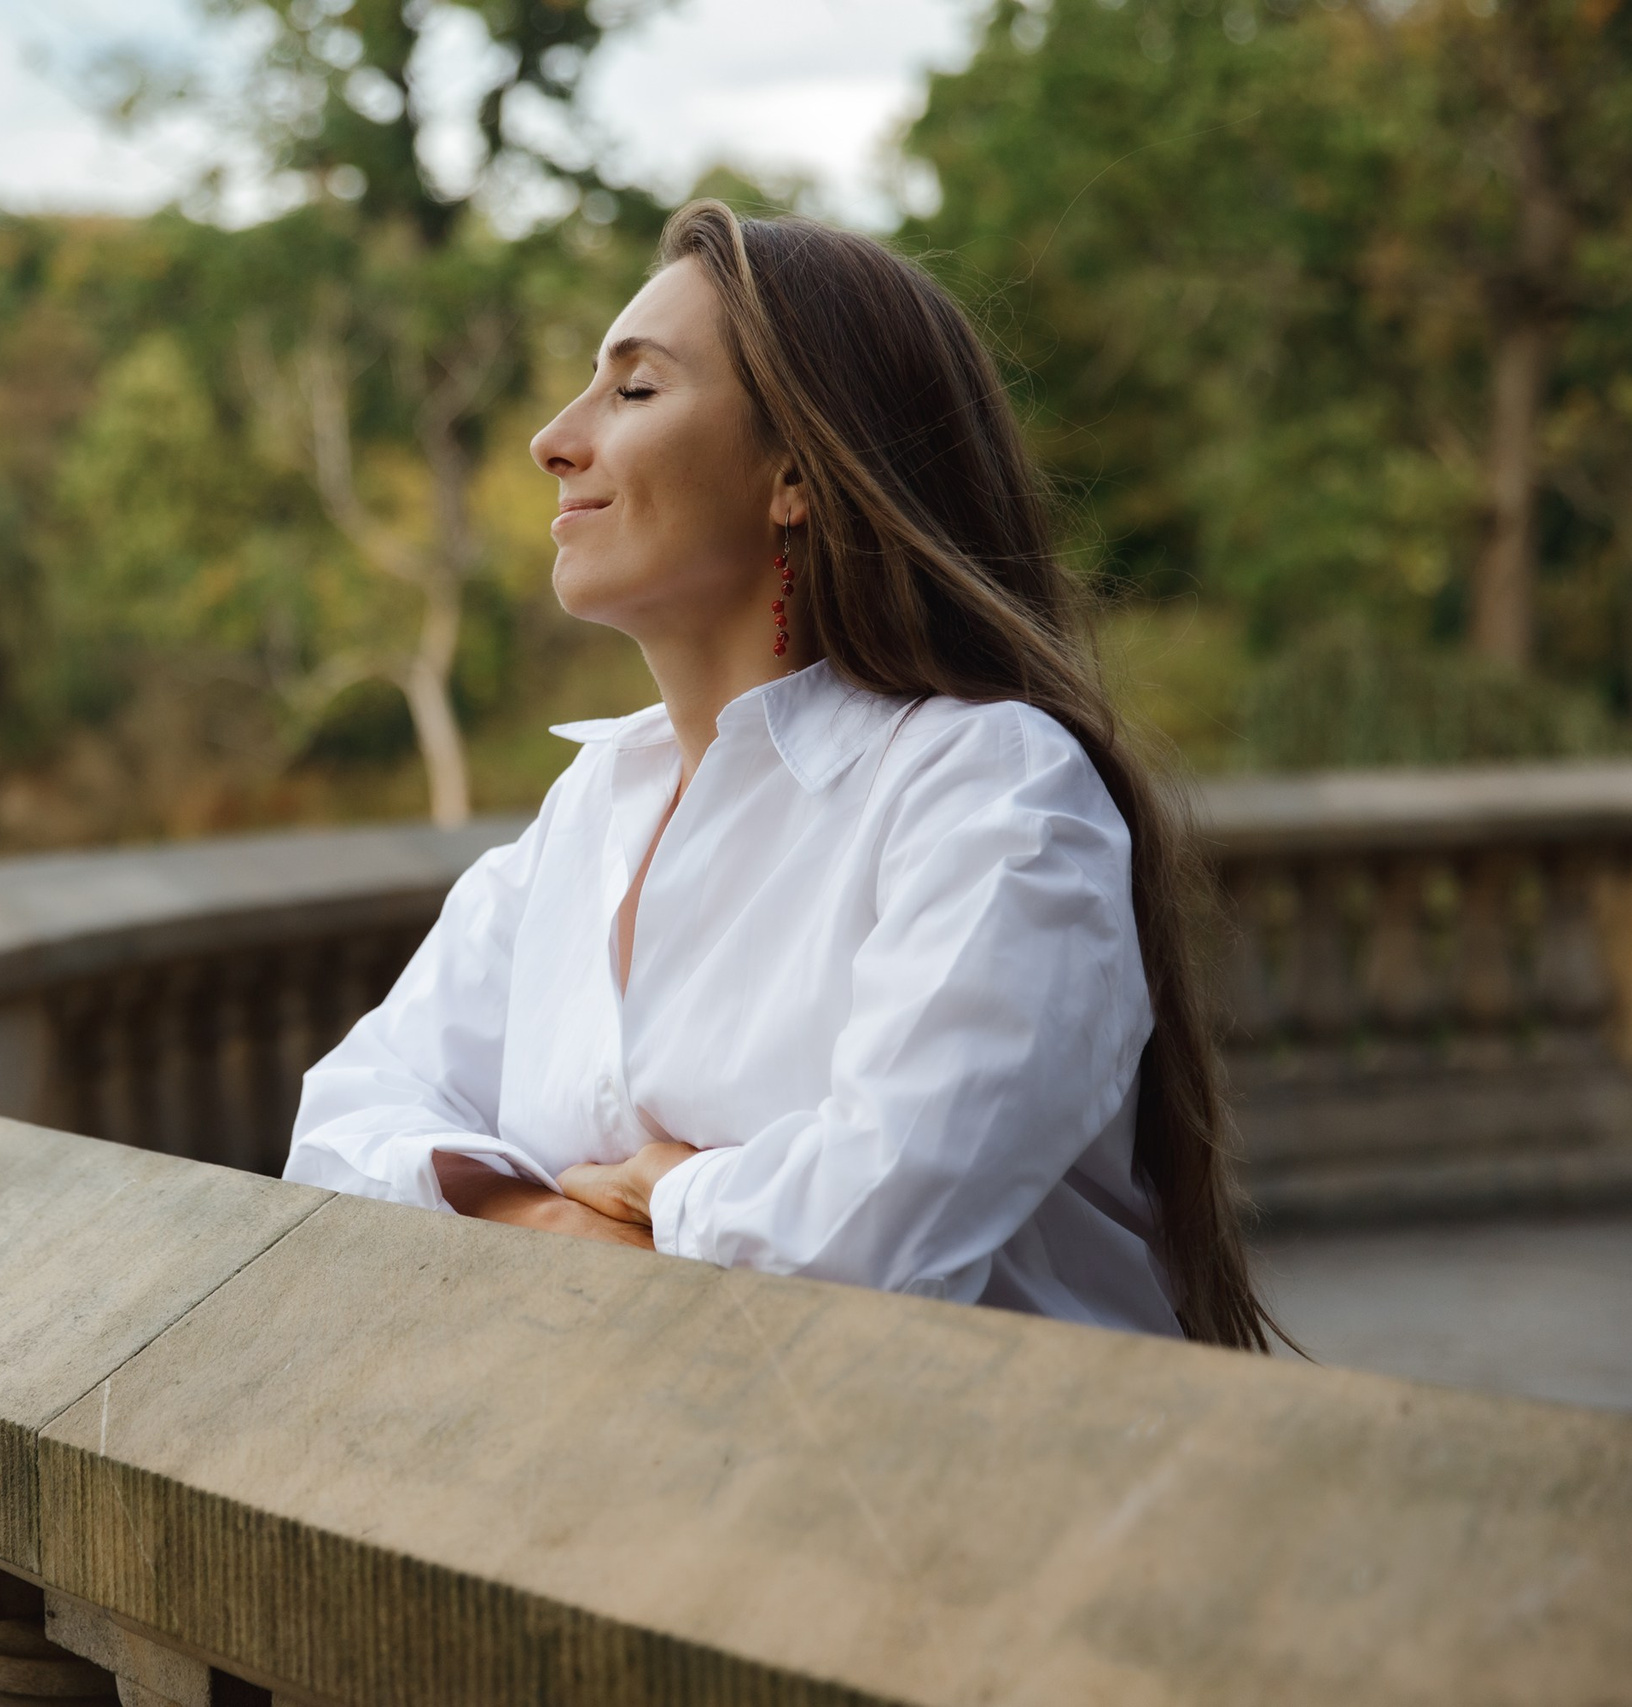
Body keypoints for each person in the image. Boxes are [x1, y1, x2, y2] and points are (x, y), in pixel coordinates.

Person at [282, 201, 1275, 1348]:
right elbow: (341, 1126)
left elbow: (868, 1241)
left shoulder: (989, 789)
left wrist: (668, 1196)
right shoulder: (593, 806)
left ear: (795, 472)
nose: (553, 440)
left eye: (634, 391)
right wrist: (559, 1224)